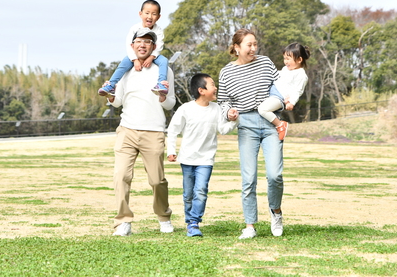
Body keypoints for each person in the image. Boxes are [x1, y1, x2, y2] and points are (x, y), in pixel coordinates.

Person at [106, 27, 176, 237]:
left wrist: (163, 98)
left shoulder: (164, 70)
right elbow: (117, 101)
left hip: (153, 131)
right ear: (132, 45)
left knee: (157, 180)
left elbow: (170, 103)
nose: (142, 45)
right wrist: (110, 98)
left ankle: (163, 216)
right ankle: (123, 221)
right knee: (121, 176)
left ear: (153, 47)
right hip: (127, 130)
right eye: (139, 41)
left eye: (147, 42)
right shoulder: (125, 69)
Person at [217, 28, 284, 239]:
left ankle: (276, 212)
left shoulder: (265, 63)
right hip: (245, 123)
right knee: (249, 178)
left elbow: (280, 86)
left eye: (255, 44)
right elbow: (223, 101)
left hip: (270, 121)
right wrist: (229, 111)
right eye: (249, 45)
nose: (253, 48)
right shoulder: (226, 72)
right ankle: (250, 225)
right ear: (236, 48)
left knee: (275, 175)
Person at [166, 73, 239, 237]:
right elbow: (173, 130)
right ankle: (189, 219)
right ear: (201, 90)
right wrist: (171, 151)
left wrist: (234, 120)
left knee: (200, 190)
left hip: (206, 159)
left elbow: (223, 129)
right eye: (212, 84)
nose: (216, 88)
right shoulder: (185, 109)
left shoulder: (217, 109)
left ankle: (194, 222)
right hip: (187, 159)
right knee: (188, 194)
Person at [99, 0, 170, 97]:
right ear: (140, 14)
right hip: (135, 55)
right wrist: (135, 60)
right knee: (123, 64)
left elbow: (159, 45)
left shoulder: (158, 30)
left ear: (158, 17)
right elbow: (129, 45)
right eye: (147, 13)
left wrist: (151, 57)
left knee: (164, 60)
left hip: (152, 55)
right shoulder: (134, 28)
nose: (150, 16)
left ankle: (161, 83)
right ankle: (111, 85)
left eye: (154, 14)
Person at [257, 43, 311, 141]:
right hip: (271, 90)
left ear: (299, 60)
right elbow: (279, 75)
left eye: (288, 59)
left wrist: (291, 102)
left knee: (262, 109)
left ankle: (280, 125)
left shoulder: (301, 75)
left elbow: (298, 91)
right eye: (284, 58)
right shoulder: (286, 69)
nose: (285, 62)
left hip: (279, 97)